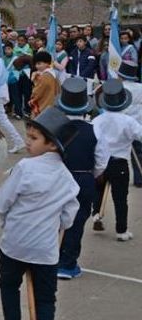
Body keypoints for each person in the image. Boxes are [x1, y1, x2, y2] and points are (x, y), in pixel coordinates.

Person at [0, 107, 79, 320]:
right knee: (45, 301)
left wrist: (8, 223)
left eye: (33, 139)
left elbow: (2, 202)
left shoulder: (25, 168)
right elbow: (69, 217)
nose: (27, 143)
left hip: (14, 244)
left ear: (51, 143)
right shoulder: (67, 178)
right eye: (27, 137)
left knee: (8, 286)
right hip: (44, 250)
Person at [54, 78, 97, 280]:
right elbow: (102, 161)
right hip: (83, 178)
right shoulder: (93, 129)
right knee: (76, 221)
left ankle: (50, 258)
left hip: (57, 178)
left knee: (53, 218)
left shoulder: (54, 128)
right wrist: (90, 173)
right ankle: (68, 264)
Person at [92, 79, 142, 240]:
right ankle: (121, 231)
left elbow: (92, 139)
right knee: (120, 198)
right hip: (120, 162)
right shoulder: (128, 121)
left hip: (101, 161)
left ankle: (96, 215)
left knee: (98, 191)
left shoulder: (98, 120)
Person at [29, 51, 60, 118]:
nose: (37, 66)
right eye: (36, 64)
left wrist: (34, 80)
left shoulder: (45, 76)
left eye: (39, 63)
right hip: (52, 104)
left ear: (47, 63)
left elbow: (37, 92)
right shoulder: (53, 73)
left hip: (44, 105)